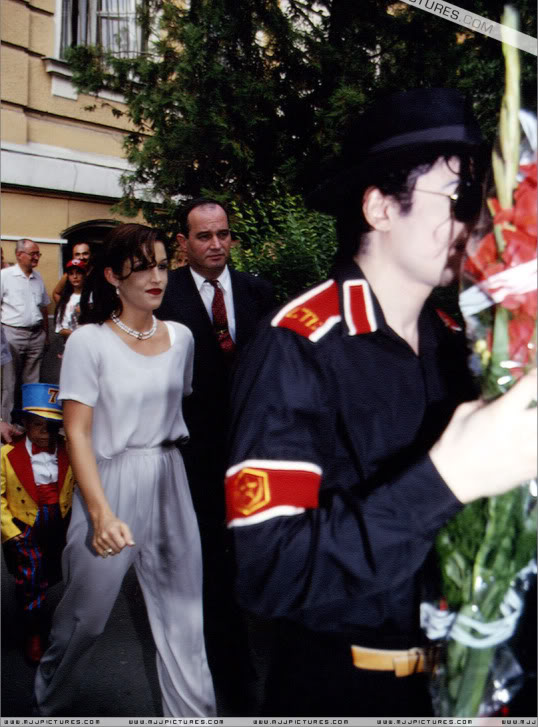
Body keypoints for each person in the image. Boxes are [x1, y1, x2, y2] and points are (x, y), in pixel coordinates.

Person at [224, 88, 537, 716]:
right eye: (459, 199)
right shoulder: (297, 345)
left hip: (461, 679)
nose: (478, 223)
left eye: (484, 201)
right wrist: (446, 478)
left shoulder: (459, 346)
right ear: (379, 208)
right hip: (341, 685)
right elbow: (269, 571)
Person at [34, 224, 216, 717]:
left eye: (162, 264)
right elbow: (77, 433)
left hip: (169, 477)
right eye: (144, 267)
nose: (158, 276)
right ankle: (49, 700)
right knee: (85, 620)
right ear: (114, 275)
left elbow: (185, 405)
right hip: (109, 482)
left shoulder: (181, 339)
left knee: (184, 619)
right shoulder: (88, 342)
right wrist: (100, 513)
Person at [155, 198, 274, 711]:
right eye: (204, 237)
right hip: (194, 455)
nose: (216, 245)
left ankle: (253, 648)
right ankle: (230, 670)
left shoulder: (256, 292)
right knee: (209, 562)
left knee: (253, 551)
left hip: (252, 451)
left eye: (223, 234)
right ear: (183, 242)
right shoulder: (165, 296)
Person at [1, 383, 73, 663]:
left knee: (49, 573)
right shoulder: (7, 456)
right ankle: (34, 631)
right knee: (30, 576)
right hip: (25, 524)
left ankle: (39, 610)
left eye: (52, 426)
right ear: (25, 425)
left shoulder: (67, 451)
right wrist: (10, 530)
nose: (45, 433)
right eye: (38, 425)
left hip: (57, 521)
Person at [1, 239, 50, 424]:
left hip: (36, 335)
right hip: (11, 335)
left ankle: (29, 424)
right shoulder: (5, 276)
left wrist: (45, 335)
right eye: (33, 254)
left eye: (38, 254)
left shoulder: (38, 278)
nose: (37, 257)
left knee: (32, 384)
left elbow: (44, 308)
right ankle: (6, 424)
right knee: (9, 383)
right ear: (19, 255)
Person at [54, 258, 87, 345]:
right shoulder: (65, 300)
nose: (75, 277)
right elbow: (60, 329)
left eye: (78, 273)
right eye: (71, 274)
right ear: (67, 277)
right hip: (71, 345)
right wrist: (77, 335)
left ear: (84, 275)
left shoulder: (91, 297)